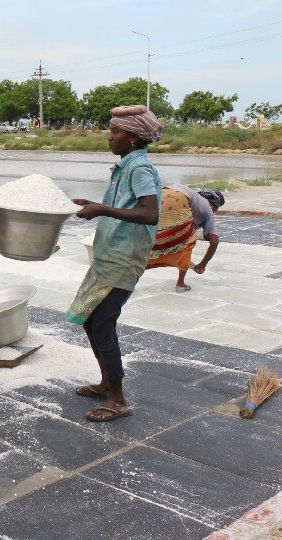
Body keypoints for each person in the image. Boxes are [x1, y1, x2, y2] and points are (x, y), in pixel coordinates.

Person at [65, 105, 163, 422]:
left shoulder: (140, 169)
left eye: (115, 132)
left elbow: (150, 213)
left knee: (104, 323)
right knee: (92, 321)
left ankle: (118, 398)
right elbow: (122, 205)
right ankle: (107, 383)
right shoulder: (123, 167)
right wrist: (93, 205)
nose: (109, 137)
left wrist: (102, 211)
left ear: (133, 138)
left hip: (124, 258)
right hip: (108, 255)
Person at [146, 185, 224, 292]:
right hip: (179, 200)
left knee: (154, 238)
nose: (214, 212)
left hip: (159, 194)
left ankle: (129, 280)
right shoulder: (208, 209)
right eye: (215, 209)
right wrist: (202, 265)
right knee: (188, 241)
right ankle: (180, 284)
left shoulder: (194, 196)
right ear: (213, 204)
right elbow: (214, 242)